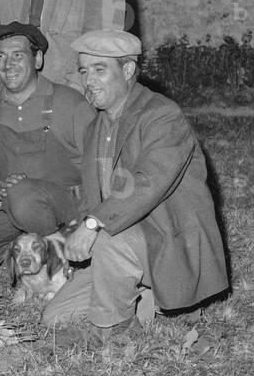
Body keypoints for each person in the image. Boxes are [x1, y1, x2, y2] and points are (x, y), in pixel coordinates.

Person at [43, 30, 229, 341]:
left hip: (167, 238)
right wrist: (77, 228)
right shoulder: (95, 126)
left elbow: (147, 183)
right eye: (84, 71)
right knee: (55, 317)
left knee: (106, 245)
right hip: (122, 244)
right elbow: (94, 195)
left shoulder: (162, 115)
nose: (88, 81)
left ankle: (120, 332)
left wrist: (93, 224)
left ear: (128, 70)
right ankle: (151, 299)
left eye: (100, 70)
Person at [0, 23, 94, 275]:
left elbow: (97, 165)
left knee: (23, 196)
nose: (8, 64)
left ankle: (61, 256)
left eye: (17, 55)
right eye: (1, 56)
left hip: (67, 205)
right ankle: (26, 251)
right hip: (11, 204)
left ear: (38, 59)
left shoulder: (69, 102)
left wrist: (88, 222)